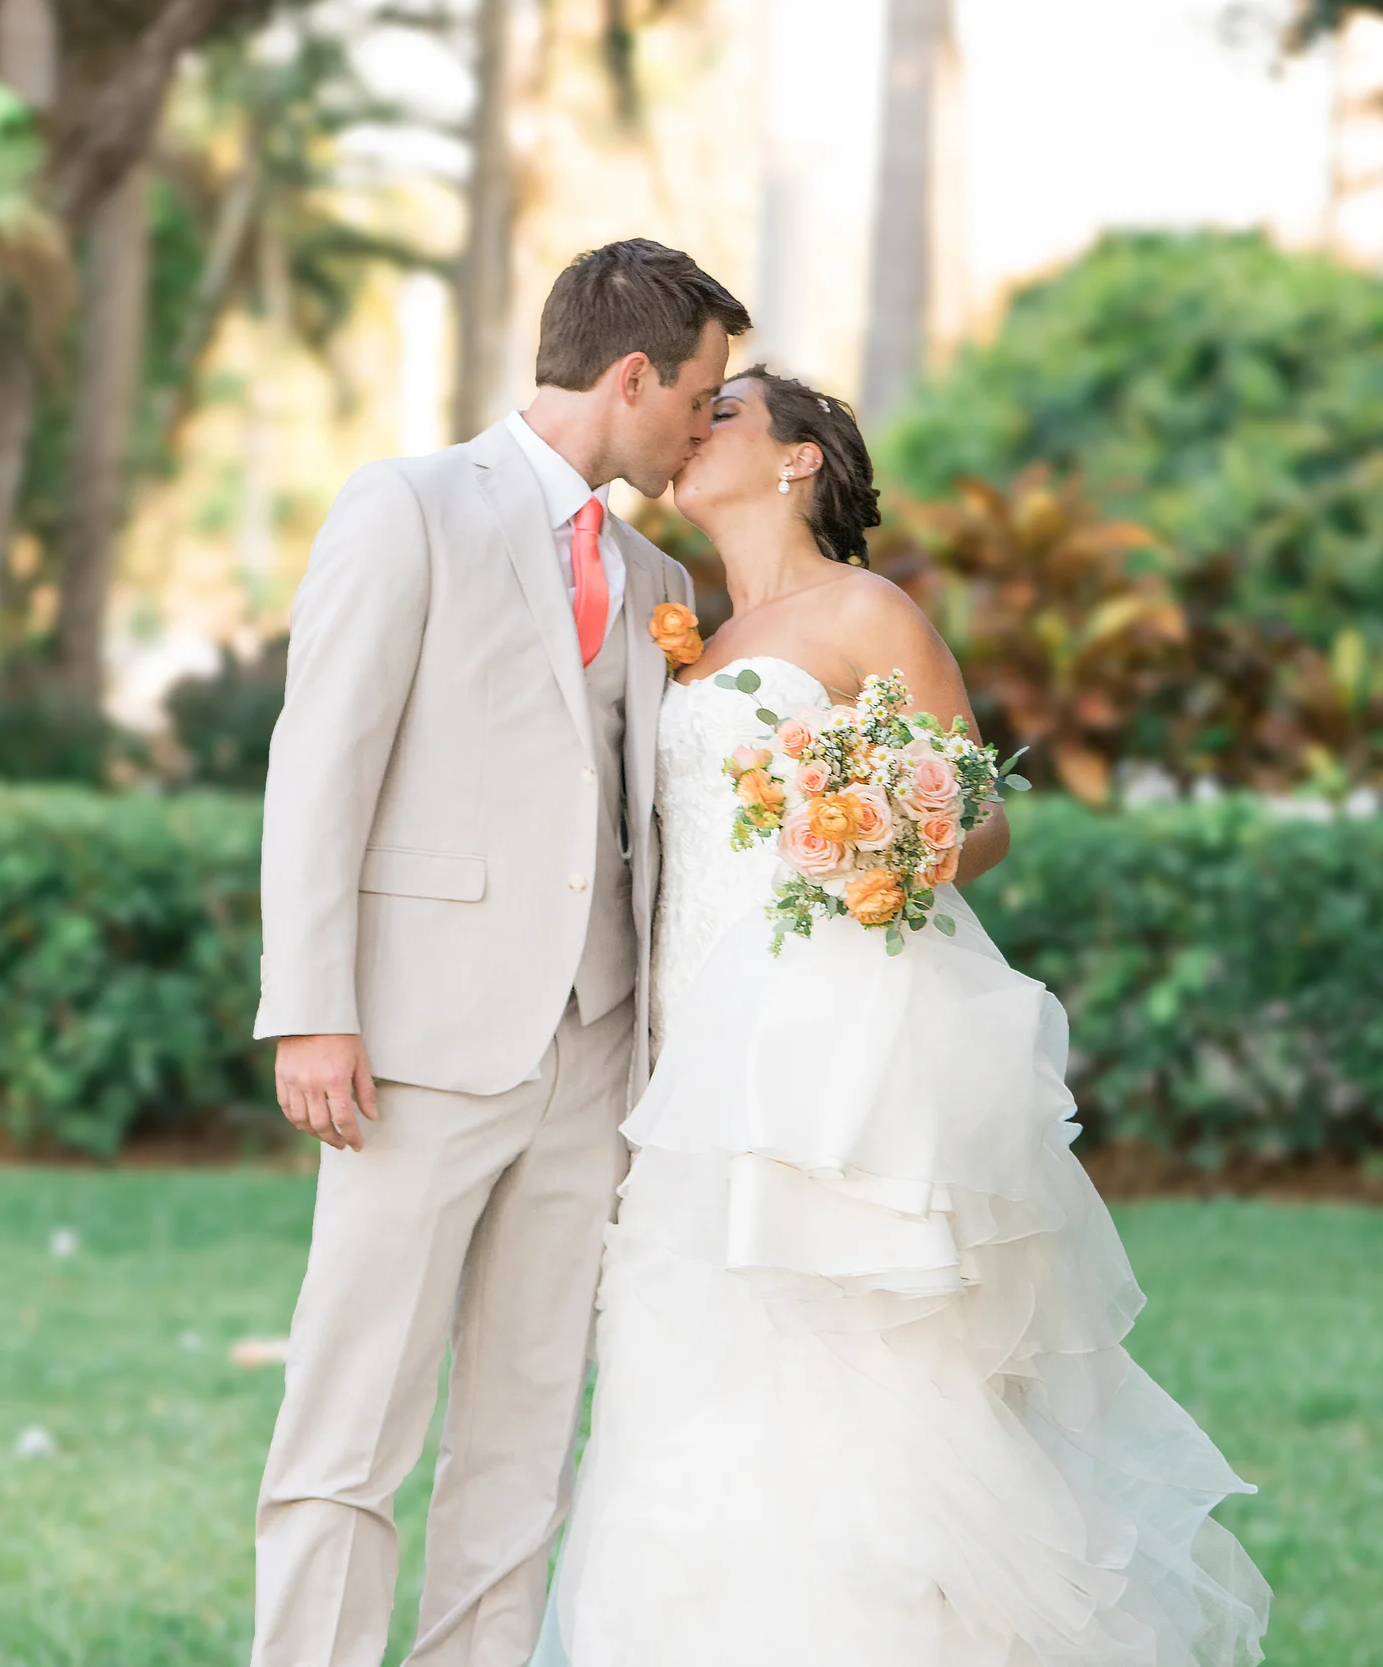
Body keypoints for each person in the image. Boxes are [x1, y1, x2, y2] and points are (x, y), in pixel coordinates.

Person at [528, 367, 1273, 1665]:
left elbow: (980, 815)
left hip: (833, 1036)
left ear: (800, 458)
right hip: (690, 1053)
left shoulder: (867, 610)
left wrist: (880, 832)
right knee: (683, 1372)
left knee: (858, 1377)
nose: (693, 428)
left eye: (726, 414)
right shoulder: (688, 620)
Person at [249, 238, 751, 1667]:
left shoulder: (658, 570)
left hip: (592, 1060)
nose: (703, 427)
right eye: (699, 397)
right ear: (634, 373)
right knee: (351, 1427)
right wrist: (313, 1009)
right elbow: (320, 767)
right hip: (413, 1047)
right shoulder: (406, 507)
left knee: (524, 1439)